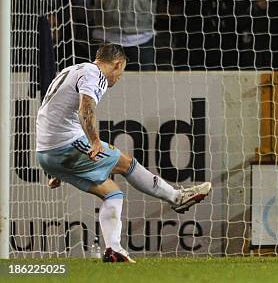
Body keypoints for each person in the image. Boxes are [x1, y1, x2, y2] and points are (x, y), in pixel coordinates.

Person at [36, 44, 211, 263]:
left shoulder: (71, 70)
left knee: (112, 193)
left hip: (46, 152)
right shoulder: (95, 74)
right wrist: (95, 141)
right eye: (121, 72)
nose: (118, 78)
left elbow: (51, 112)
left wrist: (55, 168)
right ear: (117, 64)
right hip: (65, 147)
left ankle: (114, 249)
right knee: (127, 164)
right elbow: (85, 108)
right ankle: (177, 198)